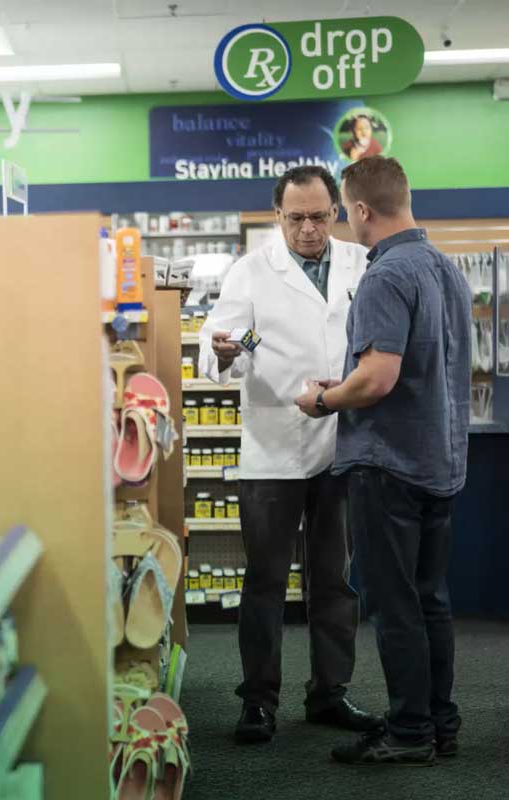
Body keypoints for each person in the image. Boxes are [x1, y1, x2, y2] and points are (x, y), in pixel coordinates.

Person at [295, 155, 472, 766]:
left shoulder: (385, 276)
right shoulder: (446, 270)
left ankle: (408, 733)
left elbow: (375, 380)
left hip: (388, 467)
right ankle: (437, 723)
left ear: (363, 211)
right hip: (438, 462)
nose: (344, 219)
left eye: (343, 209)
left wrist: (322, 397)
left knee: (395, 607)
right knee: (429, 602)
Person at [198, 165, 379, 744]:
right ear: (277, 216)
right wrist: (228, 350)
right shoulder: (251, 271)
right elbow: (223, 345)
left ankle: (330, 694)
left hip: (341, 445)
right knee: (266, 581)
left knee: (334, 581)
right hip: (273, 448)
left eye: (319, 216)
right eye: (296, 217)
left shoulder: (360, 263)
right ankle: (258, 701)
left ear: (337, 212)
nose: (308, 229)